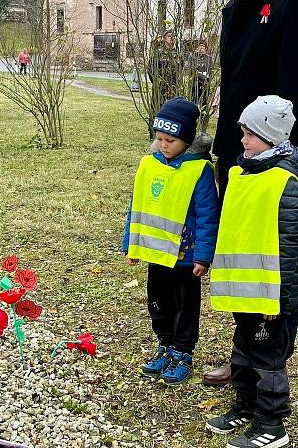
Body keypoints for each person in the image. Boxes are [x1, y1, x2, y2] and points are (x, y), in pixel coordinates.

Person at [208, 0, 298, 388]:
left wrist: (269, 155)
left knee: (273, 267)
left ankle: (267, 367)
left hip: (276, 161)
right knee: (240, 257)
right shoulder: (237, 7)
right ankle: (242, 357)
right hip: (239, 156)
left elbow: (297, 95)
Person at [206, 95, 298, 448]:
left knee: (268, 360)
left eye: (250, 134)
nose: (243, 140)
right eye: (243, 132)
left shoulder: (287, 185)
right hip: (246, 291)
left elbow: (288, 251)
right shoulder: (242, 173)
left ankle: (271, 425)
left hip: (272, 298)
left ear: (272, 136)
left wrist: (279, 300)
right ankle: (245, 406)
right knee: (243, 349)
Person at [122, 98, 218, 384]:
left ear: (187, 140)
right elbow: (136, 205)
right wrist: (131, 242)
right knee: (158, 302)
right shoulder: (148, 165)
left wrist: (203, 256)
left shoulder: (199, 170)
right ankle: (164, 344)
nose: (163, 145)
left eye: (171, 140)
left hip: (185, 257)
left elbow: (207, 216)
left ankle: (183, 351)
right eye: (159, 138)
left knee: (184, 305)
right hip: (155, 252)